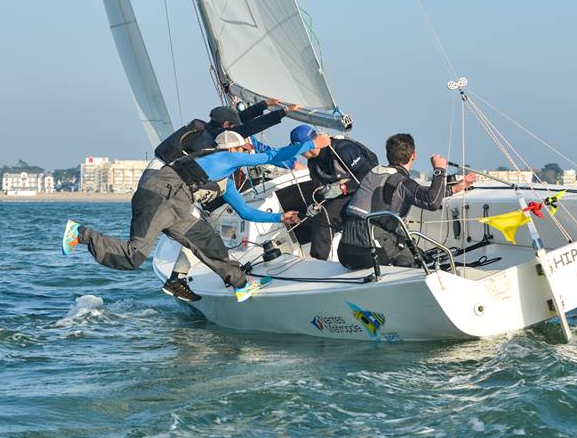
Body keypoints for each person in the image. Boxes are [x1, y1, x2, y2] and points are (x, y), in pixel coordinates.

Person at [62, 130, 332, 302]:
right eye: (244, 150)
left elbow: (245, 211)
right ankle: (80, 233)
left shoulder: (226, 180)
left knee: (207, 240)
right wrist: (312, 144)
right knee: (134, 256)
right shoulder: (224, 157)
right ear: (232, 149)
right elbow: (271, 157)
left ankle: (241, 286)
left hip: (178, 201)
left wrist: (280, 219)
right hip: (160, 195)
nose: (247, 154)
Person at [337, 133, 475, 270]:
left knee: (408, 248)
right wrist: (439, 170)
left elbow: (421, 193)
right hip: (369, 250)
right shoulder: (402, 183)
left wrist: (456, 188)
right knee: (413, 259)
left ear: (388, 154)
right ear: (413, 155)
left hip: (345, 249)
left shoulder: (374, 173)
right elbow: (432, 201)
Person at [287, 125, 378, 260]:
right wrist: (313, 206)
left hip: (367, 191)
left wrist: (343, 188)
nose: (299, 153)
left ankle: (320, 260)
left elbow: (370, 175)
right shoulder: (313, 163)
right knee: (320, 214)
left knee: (325, 216)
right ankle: (319, 262)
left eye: (299, 149)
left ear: (308, 145)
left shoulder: (343, 149)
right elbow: (318, 191)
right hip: (346, 196)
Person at [154, 99, 299, 164]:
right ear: (226, 125)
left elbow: (240, 118)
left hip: (161, 163)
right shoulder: (215, 136)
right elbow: (251, 127)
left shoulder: (205, 127)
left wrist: (264, 104)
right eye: (233, 126)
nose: (236, 129)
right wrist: (284, 111)